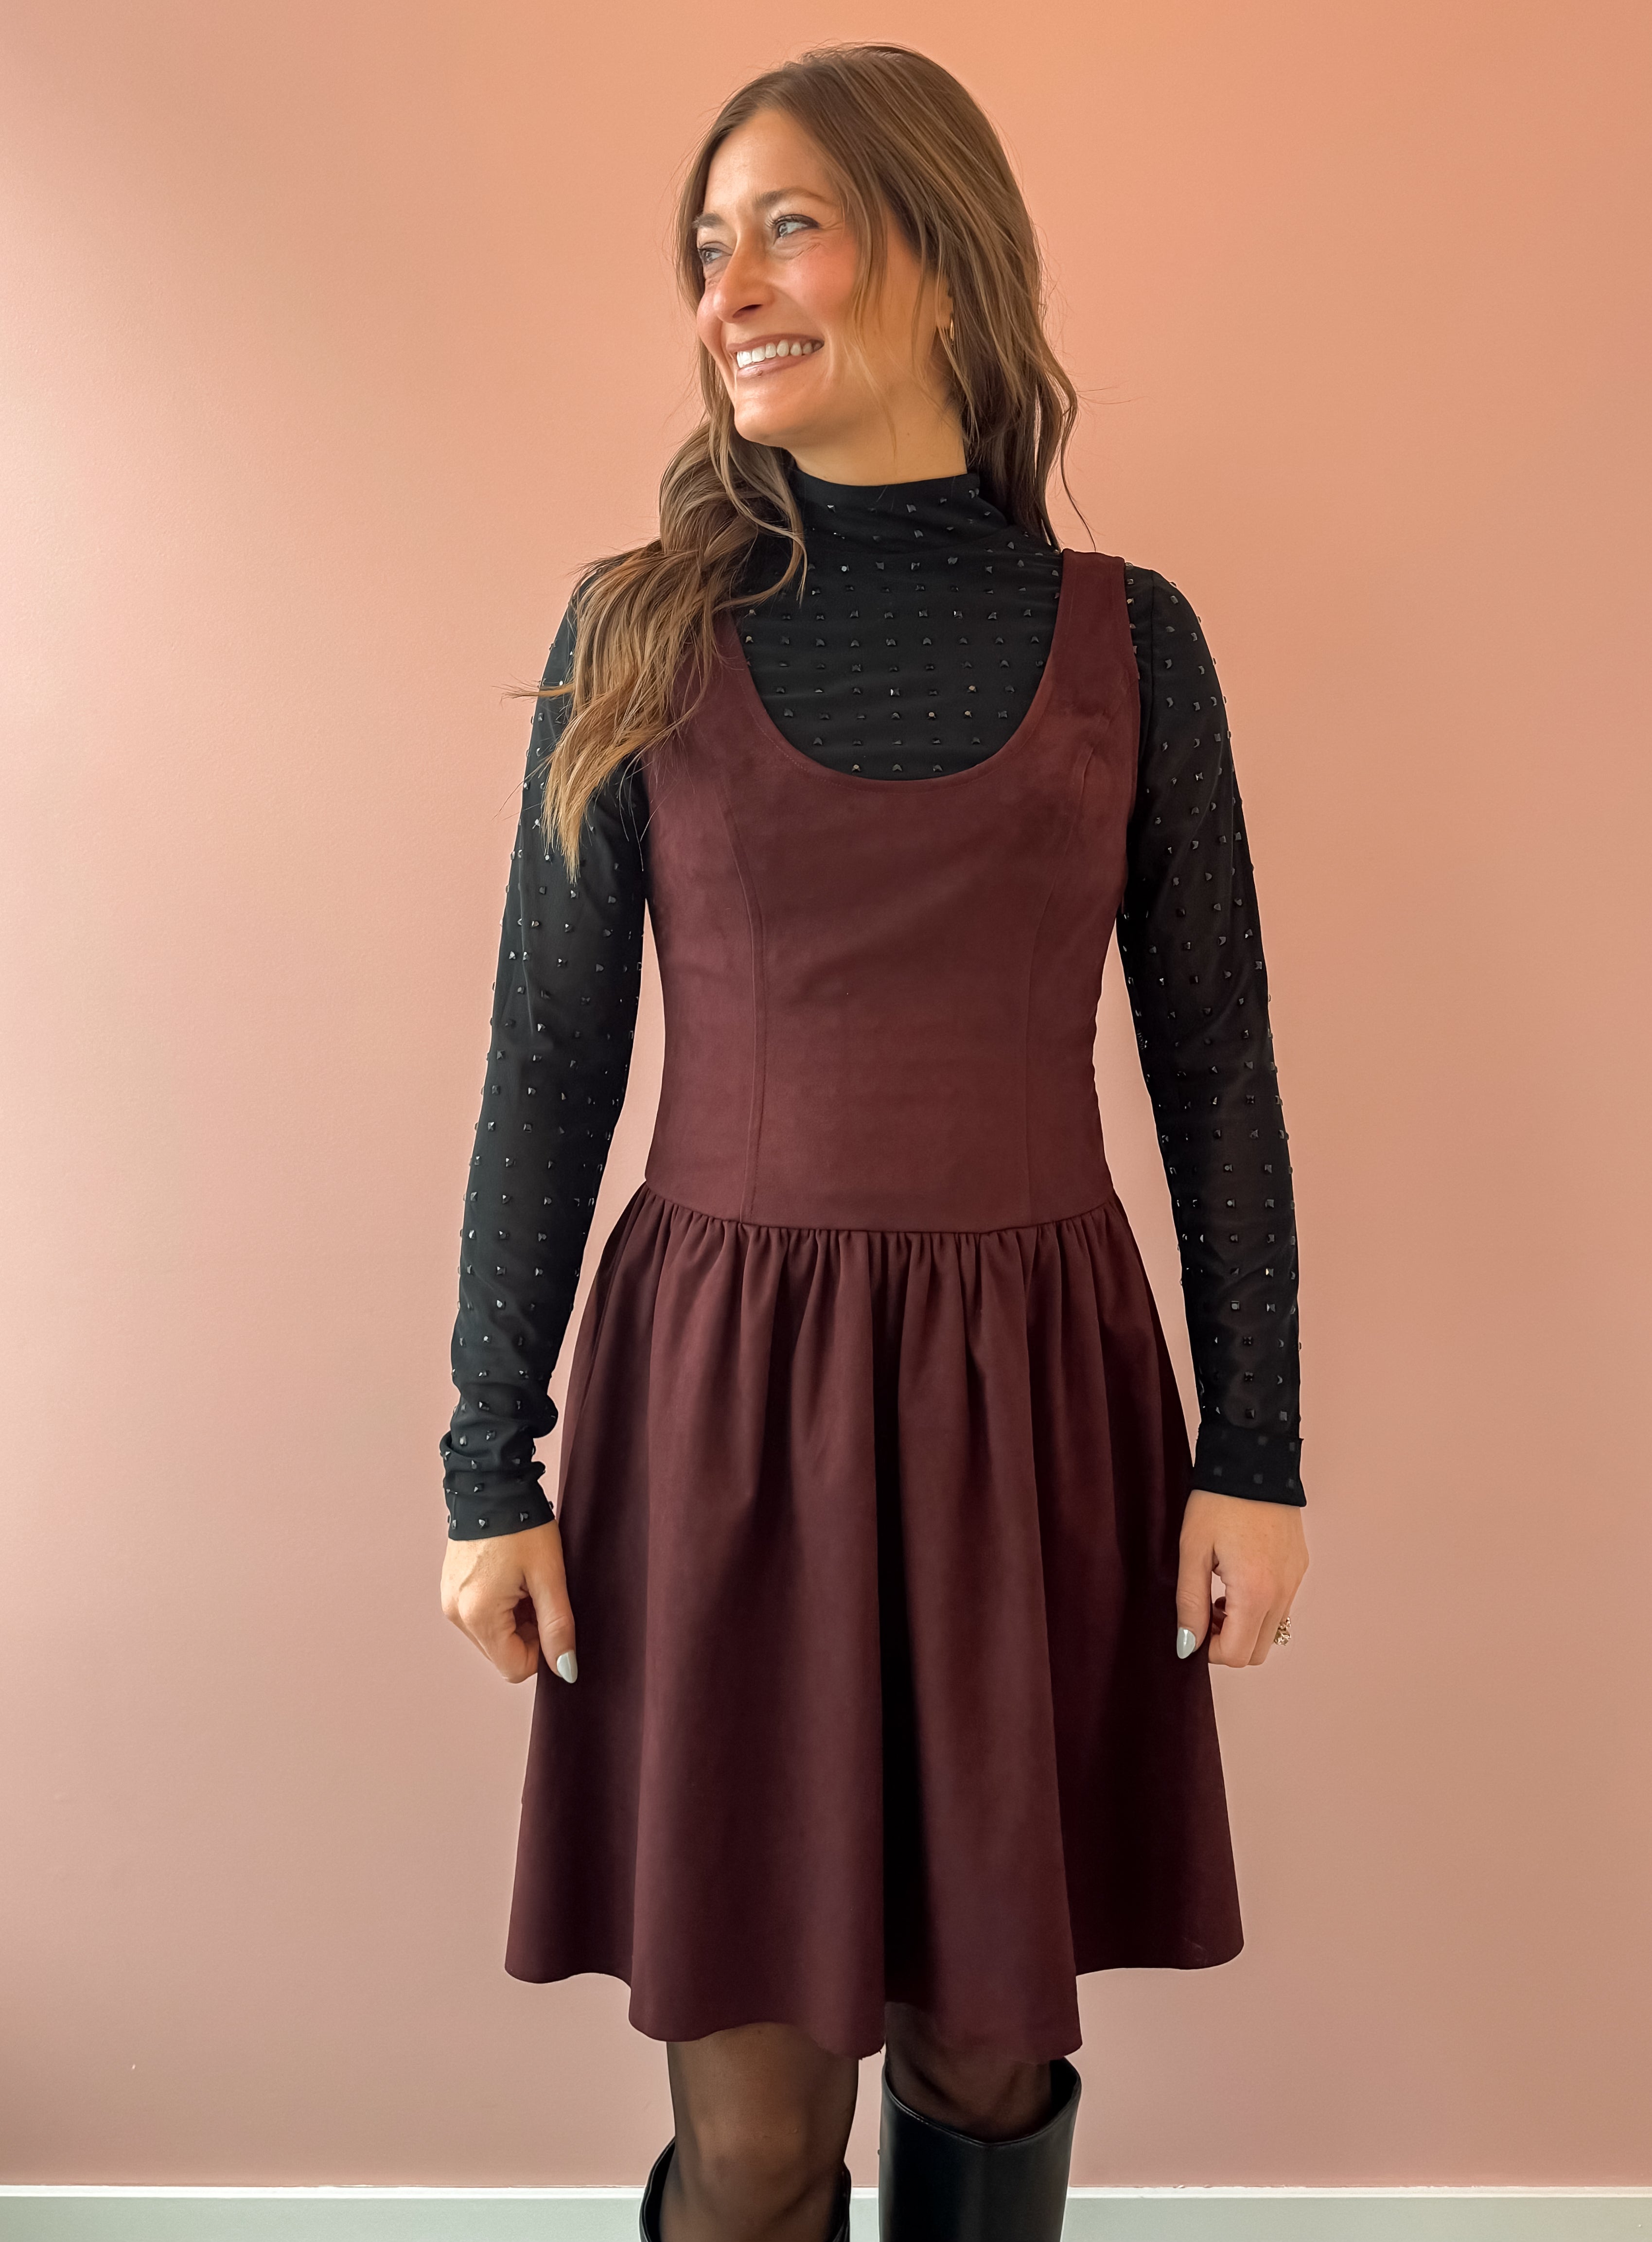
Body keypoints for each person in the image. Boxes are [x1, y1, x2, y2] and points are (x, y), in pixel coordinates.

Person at [437, 41, 1309, 2242]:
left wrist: (1257, 1449)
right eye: (705, 246)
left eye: (787, 227)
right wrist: (486, 1465)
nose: (728, 287)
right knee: (751, 2133)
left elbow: (1214, 1060)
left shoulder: (1137, 643)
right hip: (723, 1415)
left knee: (990, 2056)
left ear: (939, 252)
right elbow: (548, 1059)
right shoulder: (639, 629)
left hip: (1036, 1405)